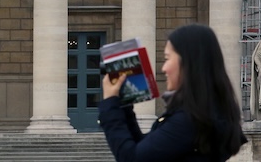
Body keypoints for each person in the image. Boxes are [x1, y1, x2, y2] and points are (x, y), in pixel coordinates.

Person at [100, 24, 245, 162]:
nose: (163, 69)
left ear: (188, 63)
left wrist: (110, 103)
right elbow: (143, 150)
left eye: (167, 59)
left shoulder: (188, 121)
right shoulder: (202, 114)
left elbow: (132, 159)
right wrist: (123, 104)